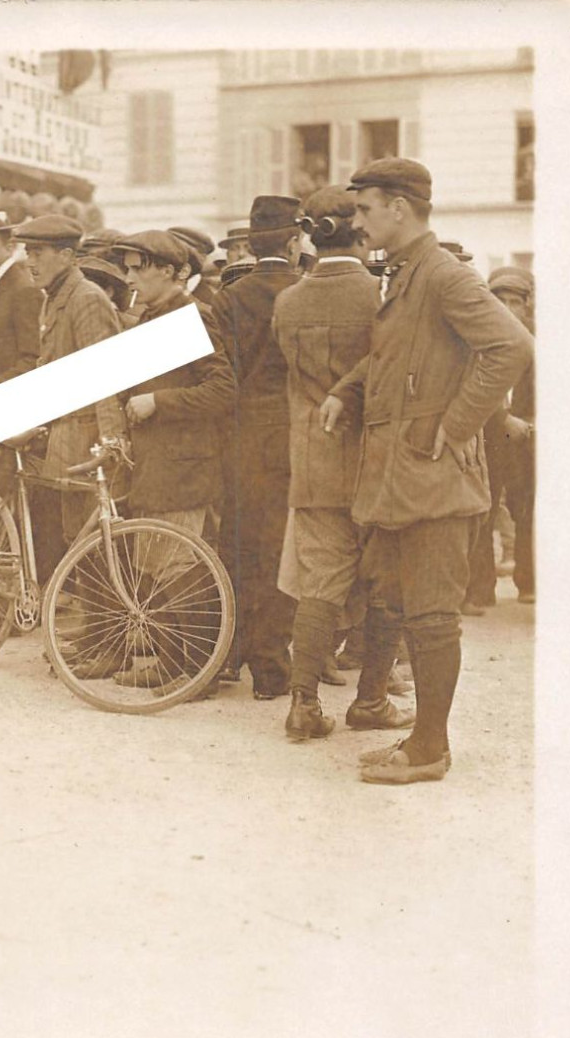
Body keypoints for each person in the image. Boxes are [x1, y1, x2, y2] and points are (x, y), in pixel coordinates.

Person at [318, 158, 534, 783]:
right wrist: (346, 391)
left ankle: (429, 750)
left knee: (434, 617)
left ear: (398, 208)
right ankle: (418, 740)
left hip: (435, 481)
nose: (357, 222)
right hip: (403, 479)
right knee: (406, 604)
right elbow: (390, 359)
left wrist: (458, 424)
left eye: (363, 209)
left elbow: (511, 347)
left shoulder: (443, 275)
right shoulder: (407, 275)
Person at [271, 186, 415, 741]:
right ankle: (371, 700)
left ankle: (302, 705)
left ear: (309, 233)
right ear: (358, 229)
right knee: (388, 584)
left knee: (319, 587)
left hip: (313, 463)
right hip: (375, 463)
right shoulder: (381, 297)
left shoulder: (290, 302)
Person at [112, 230, 237, 692]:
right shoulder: (156, 317)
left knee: (180, 566)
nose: (130, 278)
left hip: (185, 464)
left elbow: (223, 391)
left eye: (137, 269)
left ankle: (199, 673)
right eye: (127, 269)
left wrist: (158, 403)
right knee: (156, 561)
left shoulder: (192, 318)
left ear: (167, 271)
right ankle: (171, 660)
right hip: (158, 461)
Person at [210, 196, 306, 700]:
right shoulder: (302, 291)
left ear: (249, 243)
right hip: (290, 434)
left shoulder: (230, 297)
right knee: (278, 549)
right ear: (293, 243)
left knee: (237, 544)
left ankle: (228, 654)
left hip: (240, 433)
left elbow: (222, 373)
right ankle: (271, 669)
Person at [10, 213, 124, 576]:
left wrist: (111, 439)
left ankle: (98, 630)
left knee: (90, 539)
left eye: (38, 252)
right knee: (75, 537)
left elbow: (106, 373)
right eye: (28, 252)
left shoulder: (85, 298)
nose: (30, 261)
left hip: (84, 437)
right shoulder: (55, 296)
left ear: (66, 255)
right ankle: (91, 628)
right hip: (63, 436)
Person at [486, 266, 536, 603]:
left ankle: (528, 581)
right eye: (499, 300)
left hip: (528, 438)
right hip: (488, 434)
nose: (506, 308)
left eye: (514, 301)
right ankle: (479, 588)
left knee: (528, 506)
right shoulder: (478, 338)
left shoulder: (538, 343)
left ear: (527, 305)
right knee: (484, 508)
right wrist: (502, 418)